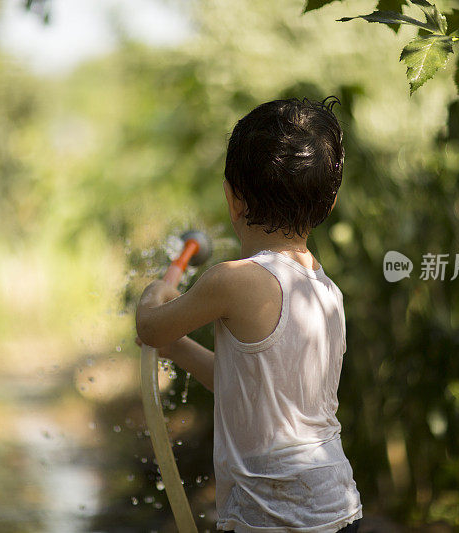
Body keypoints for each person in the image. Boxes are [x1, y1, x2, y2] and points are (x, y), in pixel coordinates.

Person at [135, 97, 362, 533]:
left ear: (232, 198)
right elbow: (243, 386)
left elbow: (148, 325)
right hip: (336, 508)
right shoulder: (326, 292)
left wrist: (155, 293)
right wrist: (176, 346)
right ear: (329, 205)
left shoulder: (231, 281)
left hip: (270, 519)